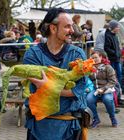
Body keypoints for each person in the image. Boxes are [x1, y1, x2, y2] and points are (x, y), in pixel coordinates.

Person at [23, 7, 88, 140]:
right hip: (40, 127)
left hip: (70, 126)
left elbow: (79, 90)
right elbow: (37, 88)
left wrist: (49, 86)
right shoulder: (33, 54)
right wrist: (62, 88)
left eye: (72, 26)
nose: (72, 31)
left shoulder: (77, 54)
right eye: (67, 27)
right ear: (53, 28)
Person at [86, 49, 118, 128]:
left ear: (100, 57)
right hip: (94, 89)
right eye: (92, 58)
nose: (94, 60)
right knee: (88, 100)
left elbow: (113, 81)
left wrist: (103, 89)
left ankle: (112, 117)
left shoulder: (107, 67)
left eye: (96, 57)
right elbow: (87, 80)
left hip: (106, 89)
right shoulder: (90, 68)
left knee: (107, 99)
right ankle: (96, 119)